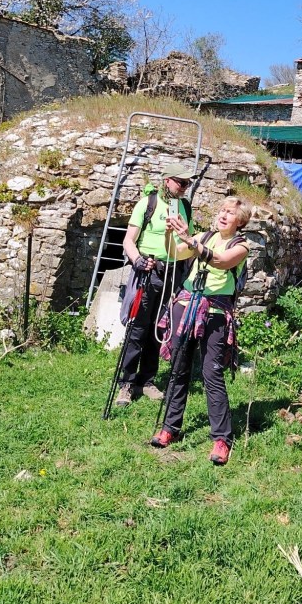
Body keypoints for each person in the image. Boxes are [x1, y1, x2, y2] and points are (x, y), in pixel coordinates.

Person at [150, 196, 252, 466]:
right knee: (178, 368)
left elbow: (220, 261)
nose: (223, 215)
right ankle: (170, 427)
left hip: (215, 312)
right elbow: (174, 253)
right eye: (222, 210)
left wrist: (189, 239)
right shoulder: (204, 236)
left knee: (211, 373)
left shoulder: (240, 246)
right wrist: (171, 234)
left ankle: (222, 439)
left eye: (230, 213)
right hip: (186, 305)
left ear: (240, 221)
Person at [114, 161, 195, 407]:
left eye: (187, 183)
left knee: (158, 328)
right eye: (181, 182)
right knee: (138, 326)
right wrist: (137, 260)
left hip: (173, 273)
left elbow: (189, 241)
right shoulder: (147, 203)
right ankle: (126, 383)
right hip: (148, 271)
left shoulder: (184, 207)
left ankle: (147, 380)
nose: (185, 187)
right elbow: (129, 240)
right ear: (167, 180)